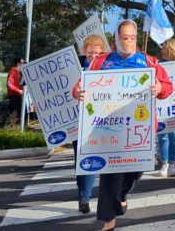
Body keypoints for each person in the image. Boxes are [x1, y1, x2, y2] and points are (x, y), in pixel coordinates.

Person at [72, 19, 173, 231]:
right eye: (124, 37)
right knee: (110, 176)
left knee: (135, 172)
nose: (129, 41)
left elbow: (168, 87)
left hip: (139, 131)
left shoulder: (150, 62)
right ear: (117, 39)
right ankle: (108, 221)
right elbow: (81, 85)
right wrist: (77, 92)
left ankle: (123, 194)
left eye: (132, 37)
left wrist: (159, 88)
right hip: (107, 129)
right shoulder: (102, 61)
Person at [73, 34, 107, 214]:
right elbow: (75, 88)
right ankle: (82, 194)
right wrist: (76, 93)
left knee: (90, 159)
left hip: (99, 124)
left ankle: (84, 197)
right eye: (89, 52)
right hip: (79, 122)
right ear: (84, 52)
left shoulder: (109, 67)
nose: (92, 56)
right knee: (79, 160)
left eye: (96, 52)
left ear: (102, 52)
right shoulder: (79, 68)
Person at [155, 38, 175, 178]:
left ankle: (173, 164)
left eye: (164, 47)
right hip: (162, 106)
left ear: (171, 49)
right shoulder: (157, 65)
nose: (161, 49)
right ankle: (164, 163)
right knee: (163, 136)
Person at [1, 58, 25, 127]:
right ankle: (20, 126)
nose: (23, 64)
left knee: (8, 112)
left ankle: (1, 125)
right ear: (18, 63)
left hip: (16, 95)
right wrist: (19, 90)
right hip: (15, 95)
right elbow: (9, 84)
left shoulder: (18, 72)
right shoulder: (13, 72)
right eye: (22, 63)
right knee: (21, 112)